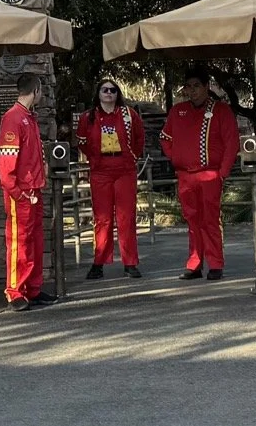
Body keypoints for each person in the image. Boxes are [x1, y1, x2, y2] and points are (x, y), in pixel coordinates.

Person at [160, 64, 239, 280]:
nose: (192, 90)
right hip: (186, 175)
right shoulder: (178, 111)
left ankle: (215, 263)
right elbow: (165, 139)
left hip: (210, 174)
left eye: (196, 86)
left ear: (206, 86)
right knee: (192, 221)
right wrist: (176, 158)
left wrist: (222, 172)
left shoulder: (221, 110)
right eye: (188, 86)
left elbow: (232, 142)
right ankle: (194, 264)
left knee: (210, 220)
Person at [75, 78, 146, 280]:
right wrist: (94, 157)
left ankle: (130, 262)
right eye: (104, 90)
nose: (109, 93)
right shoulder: (88, 117)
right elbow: (81, 140)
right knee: (102, 219)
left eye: (113, 90)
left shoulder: (128, 115)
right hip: (101, 171)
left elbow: (140, 136)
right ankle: (99, 262)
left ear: (118, 94)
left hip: (124, 170)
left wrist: (133, 156)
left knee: (126, 217)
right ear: (98, 93)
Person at [0, 73, 54, 311]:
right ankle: (15, 291)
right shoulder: (13, 119)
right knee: (19, 242)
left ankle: (32, 288)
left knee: (34, 241)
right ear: (36, 90)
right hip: (21, 193)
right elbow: (7, 163)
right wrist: (17, 192)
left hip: (34, 190)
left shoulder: (29, 118)